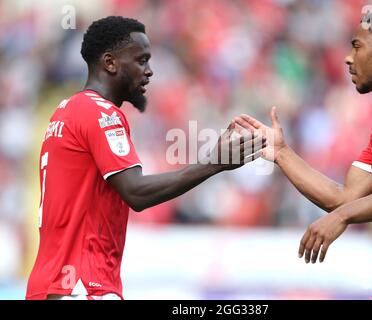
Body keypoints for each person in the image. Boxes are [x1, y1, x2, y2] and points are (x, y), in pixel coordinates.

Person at [26, 16, 264, 300]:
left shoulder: (64, 112)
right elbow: (135, 192)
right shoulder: (100, 113)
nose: (149, 71)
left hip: (51, 282)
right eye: (141, 61)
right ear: (110, 63)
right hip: (83, 285)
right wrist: (214, 163)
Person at [235, 9, 372, 300]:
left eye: (357, 46)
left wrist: (342, 216)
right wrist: (282, 153)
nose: (348, 58)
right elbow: (342, 199)